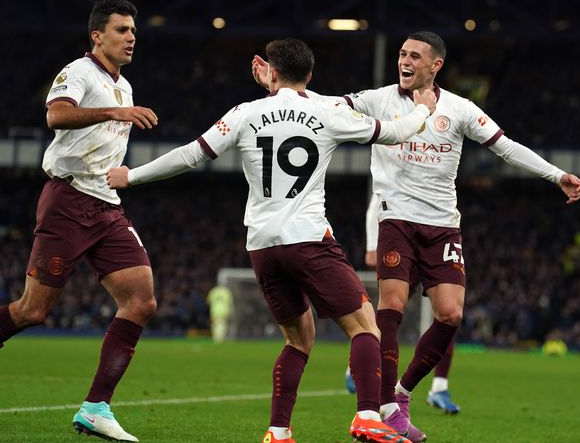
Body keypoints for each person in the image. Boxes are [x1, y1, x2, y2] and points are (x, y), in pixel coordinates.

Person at [252, 31, 580, 442]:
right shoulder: (379, 99)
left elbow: (507, 147)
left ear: (435, 65)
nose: (404, 62)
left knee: (450, 315)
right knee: (391, 304)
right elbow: (321, 104)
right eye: (401, 54)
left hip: (443, 225)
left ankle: (402, 393)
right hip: (396, 219)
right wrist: (278, 87)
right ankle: (385, 409)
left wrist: (556, 175)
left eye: (414, 56)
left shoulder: (460, 109)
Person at [107, 38, 437, 443]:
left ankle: (278, 430)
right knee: (365, 325)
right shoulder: (328, 111)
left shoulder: (244, 113)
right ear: (310, 75)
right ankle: (368, 415)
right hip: (308, 238)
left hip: (262, 246)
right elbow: (397, 132)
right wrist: (423, 108)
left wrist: (132, 175)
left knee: (298, 338)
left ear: (272, 73)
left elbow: (191, 154)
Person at [0, 0, 159, 442]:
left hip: (107, 205)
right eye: (122, 30)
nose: (131, 37)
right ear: (97, 35)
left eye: (133, 30)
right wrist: (113, 112)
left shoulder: (125, 85)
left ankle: (96, 408)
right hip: (68, 200)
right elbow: (56, 115)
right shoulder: (79, 72)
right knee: (33, 310)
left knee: (141, 300)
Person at [365, 193, 460, 415]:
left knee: (449, 312)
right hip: (402, 229)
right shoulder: (396, 179)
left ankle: (438, 386)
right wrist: (371, 244)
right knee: (391, 307)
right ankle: (365, 368)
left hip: (437, 230)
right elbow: (377, 200)